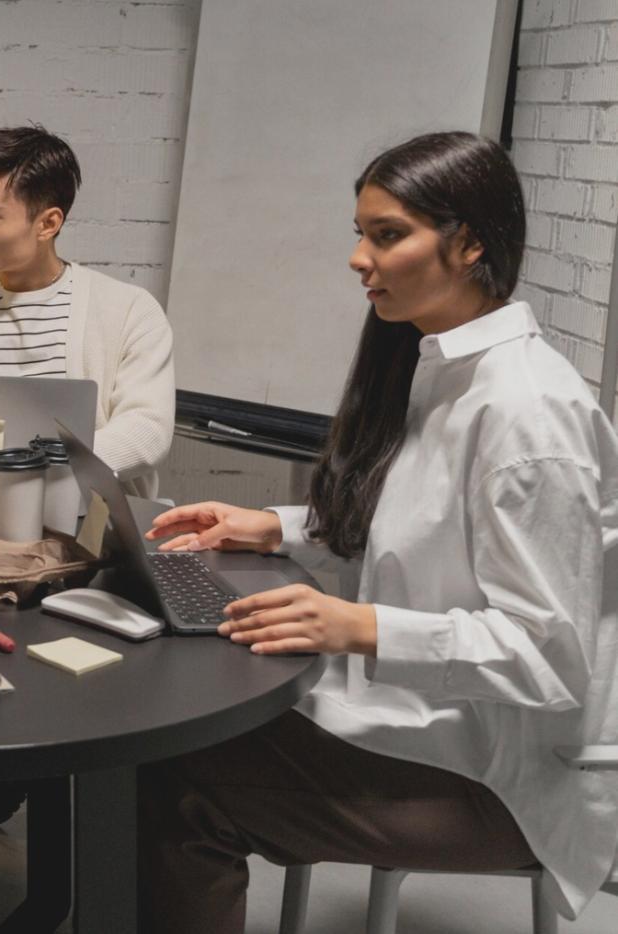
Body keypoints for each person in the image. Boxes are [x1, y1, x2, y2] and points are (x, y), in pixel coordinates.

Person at [140, 131, 618, 932]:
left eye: (388, 235)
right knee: (172, 725)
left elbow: (549, 656)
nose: (359, 258)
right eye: (361, 233)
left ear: (469, 243)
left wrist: (359, 626)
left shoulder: (530, 414)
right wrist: (278, 528)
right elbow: (421, 529)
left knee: (175, 780)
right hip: (429, 726)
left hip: (505, 776)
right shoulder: (439, 367)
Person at [0, 124, 175, 497]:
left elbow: (147, 432)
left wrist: (33, 467)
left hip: (95, 524)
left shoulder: (130, 312)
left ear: (48, 224)